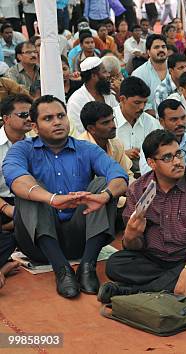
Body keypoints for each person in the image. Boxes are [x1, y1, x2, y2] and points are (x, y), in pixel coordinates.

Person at [3, 95, 128, 298]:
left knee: (104, 184)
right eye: (48, 118)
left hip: (81, 238)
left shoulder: (86, 149)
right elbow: (15, 178)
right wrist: (51, 199)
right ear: (34, 126)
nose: (57, 122)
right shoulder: (22, 149)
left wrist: (104, 196)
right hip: (38, 244)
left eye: (61, 116)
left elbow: (119, 176)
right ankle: (62, 270)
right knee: (30, 190)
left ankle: (88, 266)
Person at [100, 129, 186, 302]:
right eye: (167, 157)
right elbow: (133, 246)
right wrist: (131, 235)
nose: (177, 162)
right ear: (151, 163)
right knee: (115, 264)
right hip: (153, 257)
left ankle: (130, 292)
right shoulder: (138, 189)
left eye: (178, 154)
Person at [0, 94, 33, 289]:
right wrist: (5, 209)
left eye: (31, 114)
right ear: (6, 118)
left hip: (28, 200)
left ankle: (12, 230)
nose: (29, 118)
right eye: (23, 114)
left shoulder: (37, 141)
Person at [78, 102, 134, 188]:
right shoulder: (80, 150)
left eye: (112, 120)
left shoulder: (117, 143)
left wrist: (137, 191)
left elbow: (127, 174)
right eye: (106, 123)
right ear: (91, 128)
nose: (113, 126)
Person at [114, 77, 162, 175]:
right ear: (122, 99)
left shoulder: (151, 122)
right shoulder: (108, 121)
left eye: (144, 102)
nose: (142, 107)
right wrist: (122, 155)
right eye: (137, 103)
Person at [67, 57, 119, 136]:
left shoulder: (109, 94)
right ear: (94, 76)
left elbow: (118, 121)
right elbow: (79, 133)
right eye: (104, 72)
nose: (108, 75)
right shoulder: (75, 101)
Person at [132, 34, 169, 115]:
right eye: (156, 47)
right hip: (150, 121)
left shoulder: (177, 68)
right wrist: (161, 117)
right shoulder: (139, 74)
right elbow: (137, 102)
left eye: (163, 47)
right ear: (148, 52)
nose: (161, 50)